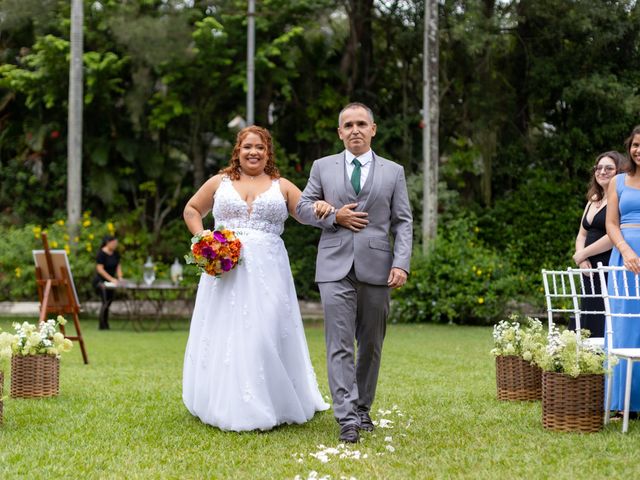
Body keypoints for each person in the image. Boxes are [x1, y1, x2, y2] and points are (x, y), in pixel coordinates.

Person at [181, 125, 329, 432]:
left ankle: (272, 400)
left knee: (265, 332)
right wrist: (204, 239)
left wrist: (325, 209)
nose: (253, 152)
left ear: (268, 152)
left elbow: (307, 213)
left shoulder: (282, 186)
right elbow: (192, 209)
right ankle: (223, 401)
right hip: (225, 273)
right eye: (248, 146)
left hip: (270, 272)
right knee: (226, 333)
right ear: (238, 150)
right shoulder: (219, 182)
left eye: (260, 147)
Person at [296, 102, 413, 443]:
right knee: (339, 343)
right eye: (348, 125)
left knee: (372, 343)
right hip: (334, 267)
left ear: (373, 129)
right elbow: (302, 208)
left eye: (361, 124)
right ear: (340, 132)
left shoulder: (394, 171)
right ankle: (346, 417)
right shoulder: (322, 167)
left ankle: (363, 407)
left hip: (377, 267)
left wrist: (401, 262)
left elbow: (403, 221)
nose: (355, 130)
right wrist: (332, 215)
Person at [571, 151, 626, 337]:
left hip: (608, 265)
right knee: (587, 311)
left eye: (609, 168)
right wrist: (581, 258)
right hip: (588, 268)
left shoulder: (620, 199)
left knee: (603, 314)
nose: (602, 171)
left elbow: (614, 236)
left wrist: (583, 253)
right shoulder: (592, 200)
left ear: (619, 171)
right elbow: (581, 234)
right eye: (598, 168)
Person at [605, 125, 640, 417]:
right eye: (635, 145)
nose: (638, 150)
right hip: (624, 259)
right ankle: (620, 403)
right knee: (623, 324)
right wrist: (627, 250)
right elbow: (611, 223)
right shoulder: (617, 182)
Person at [93, 235, 123, 330]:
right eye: (114, 243)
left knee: (109, 301)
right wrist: (111, 279)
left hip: (112, 282)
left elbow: (118, 267)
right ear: (108, 243)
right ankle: (102, 324)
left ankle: (106, 323)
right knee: (105, 301)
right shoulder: (101, 254)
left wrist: (120, 278)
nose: (115, 245)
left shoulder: (116, 254)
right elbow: (100, 269)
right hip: (101, 281)